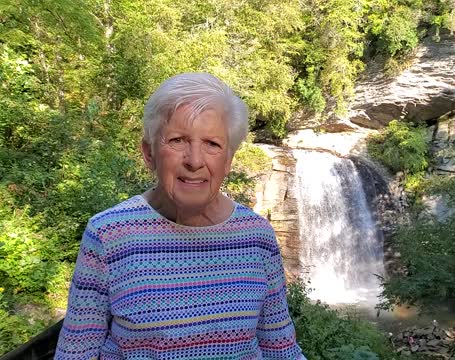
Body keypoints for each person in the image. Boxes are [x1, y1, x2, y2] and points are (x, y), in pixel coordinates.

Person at [55, 73, 306, 359]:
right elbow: (74, 353)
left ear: (228, 161)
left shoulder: (257, 236)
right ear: (149, 153)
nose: (195, 161)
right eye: (177, 140)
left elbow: (281, 350)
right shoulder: (108, 234)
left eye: (212, 144)